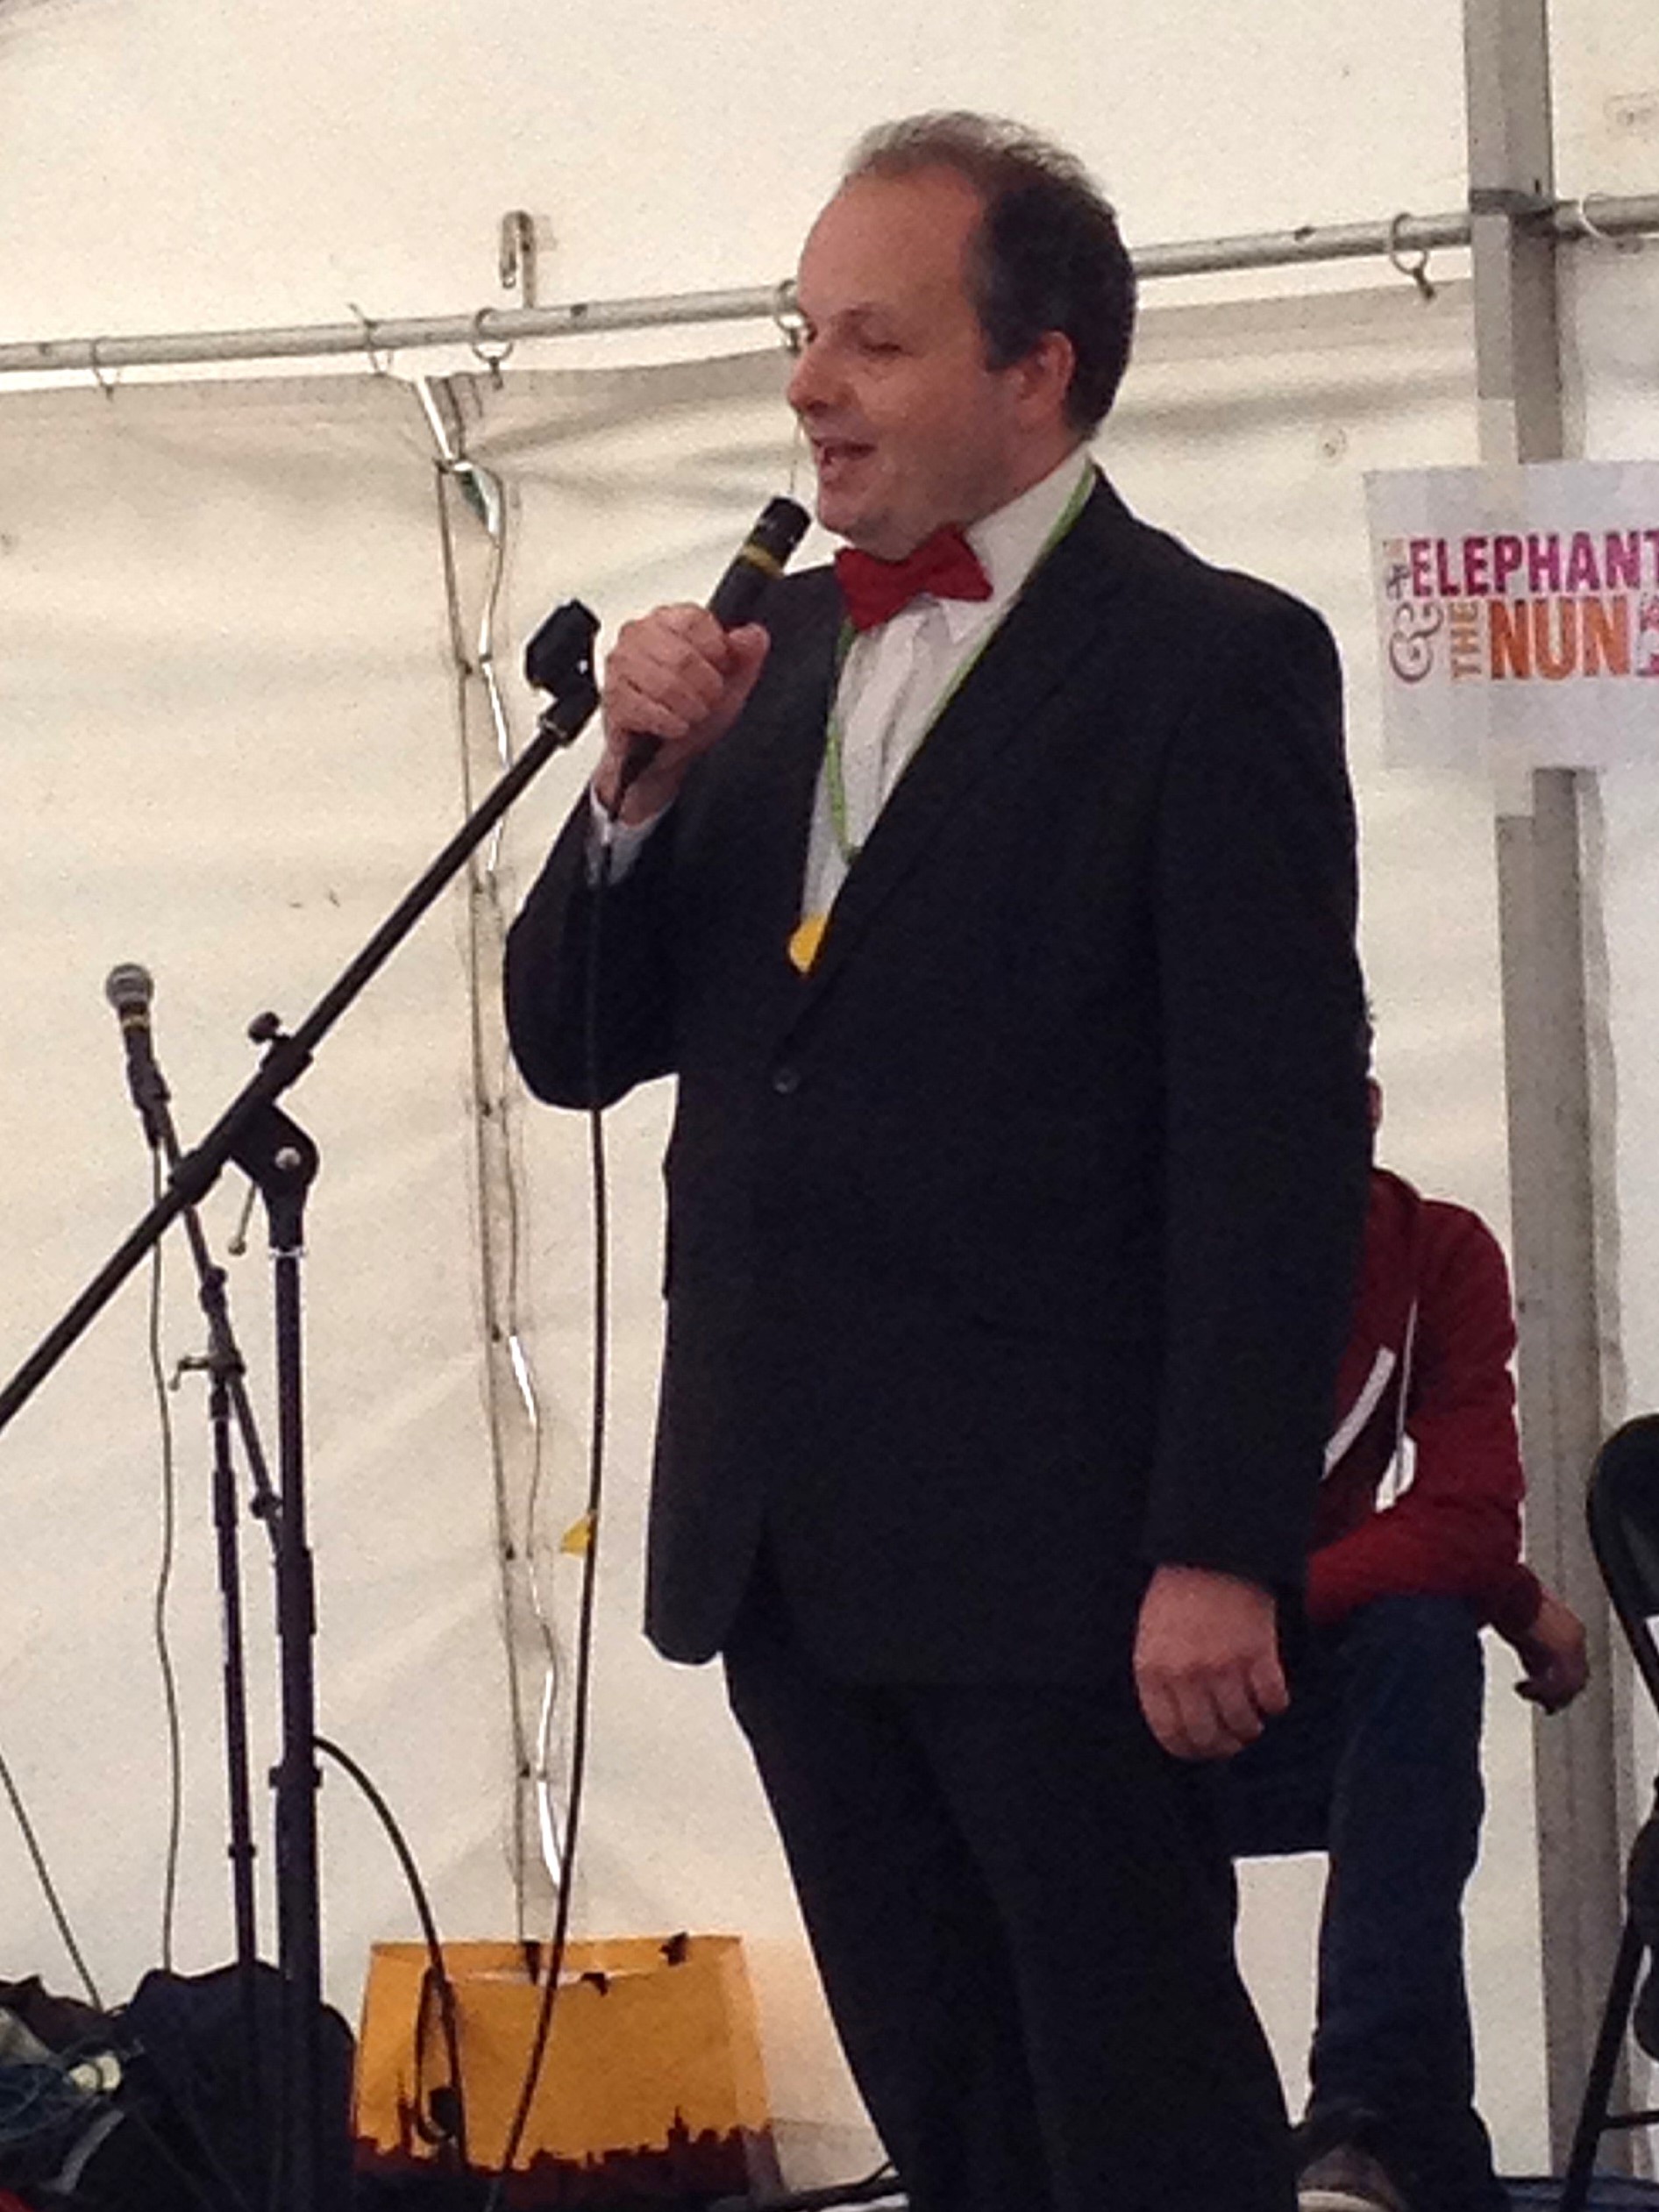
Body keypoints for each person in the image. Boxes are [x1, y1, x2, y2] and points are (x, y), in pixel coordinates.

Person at [505, 111, 1372, 2212]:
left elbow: (1272, 1145)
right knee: (951, 2113)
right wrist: (627, 798)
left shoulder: (1207, 660)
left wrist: (1218, 1539)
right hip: (790, 1538)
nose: (809, 385)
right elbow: (570, 1040)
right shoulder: (766, 660)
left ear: (1038, 367)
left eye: (870, 343)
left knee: (1140, 2113)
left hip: (1062, 1555)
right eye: (804, 336)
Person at [1215, 1082, 1589, 2212]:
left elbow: (1469, 1516)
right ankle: (1377, 2132)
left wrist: (1496, 1586)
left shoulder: (1434, 1252)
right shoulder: (1141, 1254)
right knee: (1421, 1654)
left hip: (1277, 1678)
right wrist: (1516, 1600)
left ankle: (1363, 2116)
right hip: (1114, 1697)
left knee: (1421, 1645)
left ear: (1368, 1108)